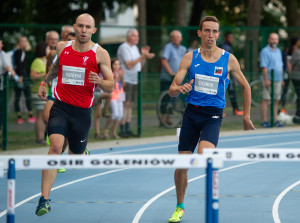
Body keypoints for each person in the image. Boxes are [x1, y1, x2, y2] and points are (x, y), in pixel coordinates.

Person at [168, 16, 255, 223]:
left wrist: (247, 116)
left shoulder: (229, 59)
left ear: (218, 34)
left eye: (215, 31)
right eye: (207, 31)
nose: (211, 35)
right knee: (182, 164)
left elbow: (246, 86)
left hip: (213, 116)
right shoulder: (190, 58)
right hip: (191, 114)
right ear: (200, 33)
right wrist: (179, 89)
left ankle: (212, 195)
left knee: (204, 154)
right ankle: (180, 206)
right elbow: (172, 89)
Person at [35, 13, 114, 216]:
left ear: (94, 30)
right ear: (74, 27)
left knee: (75, 156)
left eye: (88, 27)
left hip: (82, 112)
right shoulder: (62, 47)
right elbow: (55, 68)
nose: (84, 30)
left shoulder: (100, 53)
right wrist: (45, 82)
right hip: (60, 106)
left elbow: (111, 85)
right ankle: (44, 200)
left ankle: (82, 151)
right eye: (80, 26)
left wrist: (99, 80)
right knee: (55, 147)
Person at [117, 29, 155, 137]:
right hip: (126, 79)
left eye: (137, 35)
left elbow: (139, 65)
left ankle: (127, 127)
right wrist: (142, 56)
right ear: (128, 37)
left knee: (130, 104)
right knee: (125, 104)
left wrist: (144, 56)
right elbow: (129, 65)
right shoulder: (124, 47)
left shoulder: (134, 48)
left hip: (134, 79)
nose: (136, 37)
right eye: (134, 35)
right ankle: (122, 128)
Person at [160, 30, 187, 126]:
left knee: (174, 100)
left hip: (178, 78)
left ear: (181, 38)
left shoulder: (183, 49)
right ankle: (163, 120)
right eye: (174, 37)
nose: (176, 39)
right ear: (171, 38)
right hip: (167, 77)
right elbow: (164, 60)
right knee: (165, 99)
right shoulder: (168, 47)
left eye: (177, 37)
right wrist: (171, 72)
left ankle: (169, 119)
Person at [260, 33, 284, 128]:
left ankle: (275, 120)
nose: (274, 41)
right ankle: (264, 121)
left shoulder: (278, 51)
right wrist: (266, 79)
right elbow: (264, 66)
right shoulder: (265, 51)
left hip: (278, 79)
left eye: (276, 39)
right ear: (269, 40)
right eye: (272, 39)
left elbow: (281, 66)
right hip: (269, 80)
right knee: (266, 99)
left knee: (276, 100)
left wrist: (282, 79)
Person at [219, 32, 244, 116]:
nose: (232, 39)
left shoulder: (226, 46)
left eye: (232, 38)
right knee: (227, 92)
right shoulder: (225, 47)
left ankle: (235, 109)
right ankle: (233, 110)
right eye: (230, 38)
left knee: (229, 92)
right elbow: (225, 61)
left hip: (226, 72)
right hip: (226, 73)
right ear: (226, 38)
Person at [13, 36, 36, 124]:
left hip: (20, 76)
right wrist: (21, 77)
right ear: (19, 43)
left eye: (25, 41)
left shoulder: (21, 52)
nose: (24, 43)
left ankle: (27, 115)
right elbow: (19, 65)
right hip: (21, 77)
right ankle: (23, 116)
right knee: (22, 96)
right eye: (22, 41)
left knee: (21, 96)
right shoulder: (19, 51)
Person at [30, 42, 49, 144]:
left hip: (46, 91)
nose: (49, 50)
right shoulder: (37, 61)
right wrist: (46, 73)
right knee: (41, 115)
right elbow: (32, 76)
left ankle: (43, 137)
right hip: (38, 91)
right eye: (47, 48)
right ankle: (40, 137)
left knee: (44, 115)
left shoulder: (46, 60)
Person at [100, 58, 124, 139]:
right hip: (112, 95)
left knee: (120, 115)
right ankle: (105, 130)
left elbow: (123, 85)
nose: (117, 66)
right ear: (112, 65)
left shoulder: (119, 73)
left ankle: (113, 131)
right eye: (115, 64)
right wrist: (118, 77)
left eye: (118, 64)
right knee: (115, 114)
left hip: (120, 94)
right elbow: (112, 84)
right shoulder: (111, 74)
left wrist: (122, 77)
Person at [0, 37, 16, 133]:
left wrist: (11, 71)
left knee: (1, 107)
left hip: (1, 84)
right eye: (0, 43)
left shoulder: (2, 54)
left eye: (2, 43)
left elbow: (7, 65)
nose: (2, 45)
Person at [288, 38, 300, 120]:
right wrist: (290, 75)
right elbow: (290, 63)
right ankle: (298, 114)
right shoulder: (297, 53)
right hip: (297, 77)